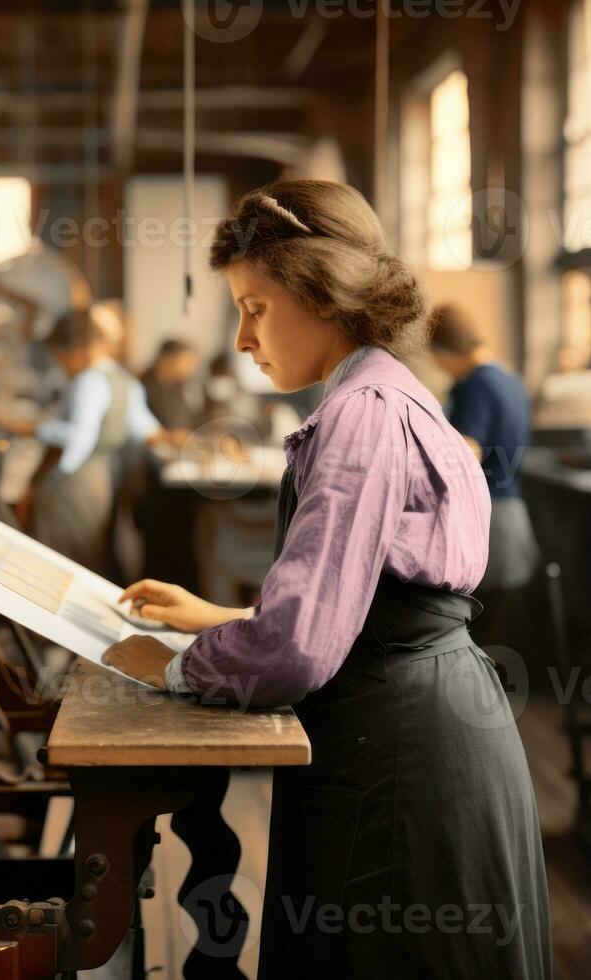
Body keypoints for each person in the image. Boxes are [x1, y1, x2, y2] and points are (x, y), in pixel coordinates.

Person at [102, 180, 551, 978]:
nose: (242, 337)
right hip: (427, 720)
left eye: (254, 306)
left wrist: (171, 667)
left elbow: (301, 647)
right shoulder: (391, 392)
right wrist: (217, 615)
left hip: (398, 755)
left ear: (322, 294)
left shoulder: (359, 414)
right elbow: (368, 598)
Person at [21, 304, 164, 575]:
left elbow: (79, 438)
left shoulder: (87, 381)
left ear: (76, 347)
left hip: (76, 479)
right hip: (102, 478)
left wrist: (48, 475)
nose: (61, 363)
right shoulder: (123, 379)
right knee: (90, 556)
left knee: (63, 562)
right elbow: (146, 431)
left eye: (61, 355)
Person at [430, 304, 540, 644]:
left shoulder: (475, 384)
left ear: (444, 351)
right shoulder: (509, 378)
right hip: (513, 519)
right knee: (495, 637)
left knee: (472, 640)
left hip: (486, 523)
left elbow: (466, 451)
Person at [145, 339, 201, 439]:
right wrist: (169, 437)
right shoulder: (142, 386)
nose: (190, 368)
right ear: (167, 359)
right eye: (185, 362)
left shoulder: (181, 387)